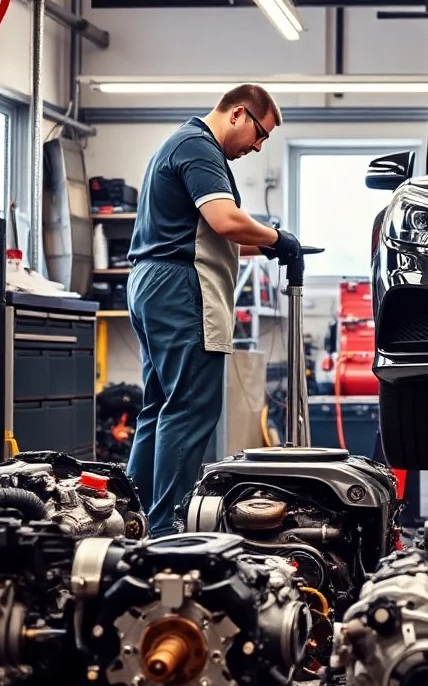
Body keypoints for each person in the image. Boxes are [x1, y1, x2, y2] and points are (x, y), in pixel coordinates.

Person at [125, 84, 303, 537]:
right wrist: (278, 237)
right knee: (190, 409)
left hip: (153, 282)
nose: (258, 147)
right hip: (179, 286)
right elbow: (225, 221)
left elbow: (209, 235)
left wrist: (267, 247)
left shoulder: (181, 143)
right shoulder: (199, 147)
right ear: (239, 113)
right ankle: (166, 532)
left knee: (160, 407)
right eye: (260, 134)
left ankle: (134, 519)